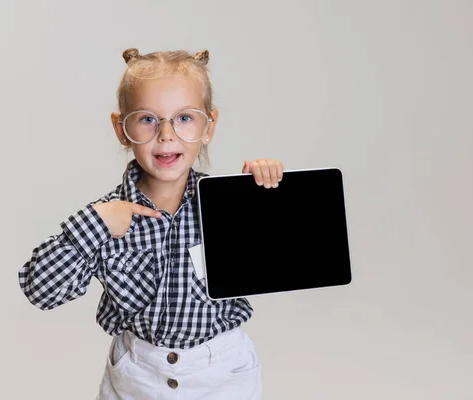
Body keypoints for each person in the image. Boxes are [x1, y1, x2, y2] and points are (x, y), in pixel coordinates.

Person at [18, 47, 284, 400]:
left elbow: (289, 257)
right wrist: (93, 224)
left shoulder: (229, 205)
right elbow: (41, 290)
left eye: (185, 118)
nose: (166, 134)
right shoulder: (106, 218)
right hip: (137, 375)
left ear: (210, 125)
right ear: (121, 128)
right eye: (147, 119)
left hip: (222, 372)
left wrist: (264, 193)